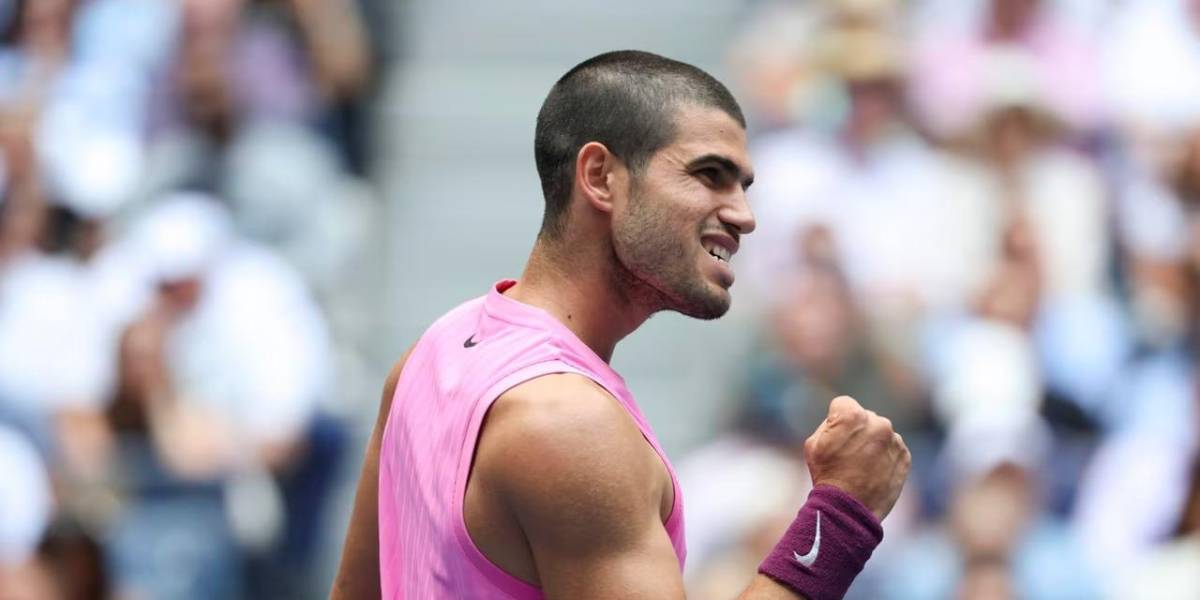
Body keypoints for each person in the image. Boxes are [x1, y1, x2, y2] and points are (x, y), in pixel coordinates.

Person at [332, 50, 910, 599]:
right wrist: (840, 516)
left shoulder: (433, 352)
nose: (744, 216)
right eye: (710, 175)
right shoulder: (569, 422)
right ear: (601, 176)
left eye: (743, 186)